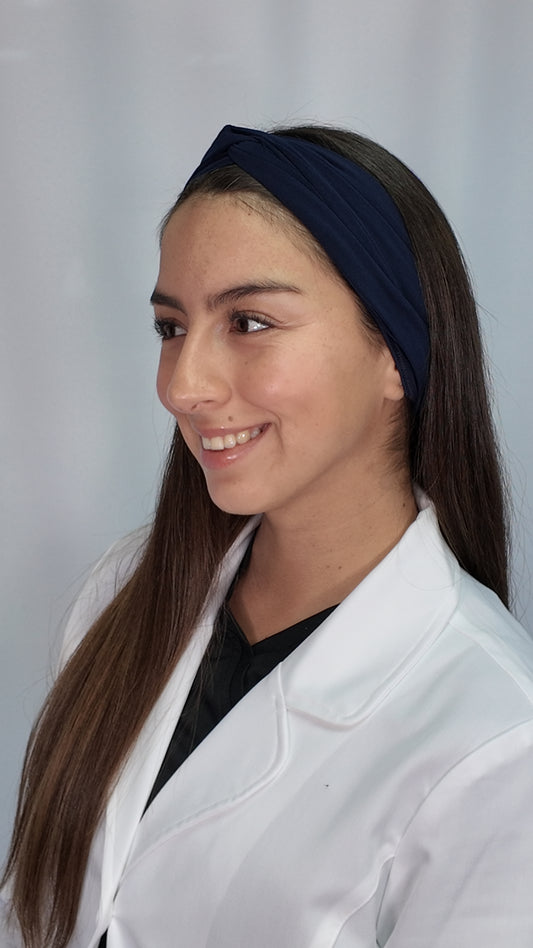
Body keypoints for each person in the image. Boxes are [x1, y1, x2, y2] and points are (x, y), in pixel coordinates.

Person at [2, 123, 533, 948]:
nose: (183, 386)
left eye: (248, 322)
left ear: (395, 352)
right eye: (170, 328)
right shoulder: (124, 591)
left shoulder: (496, 741)